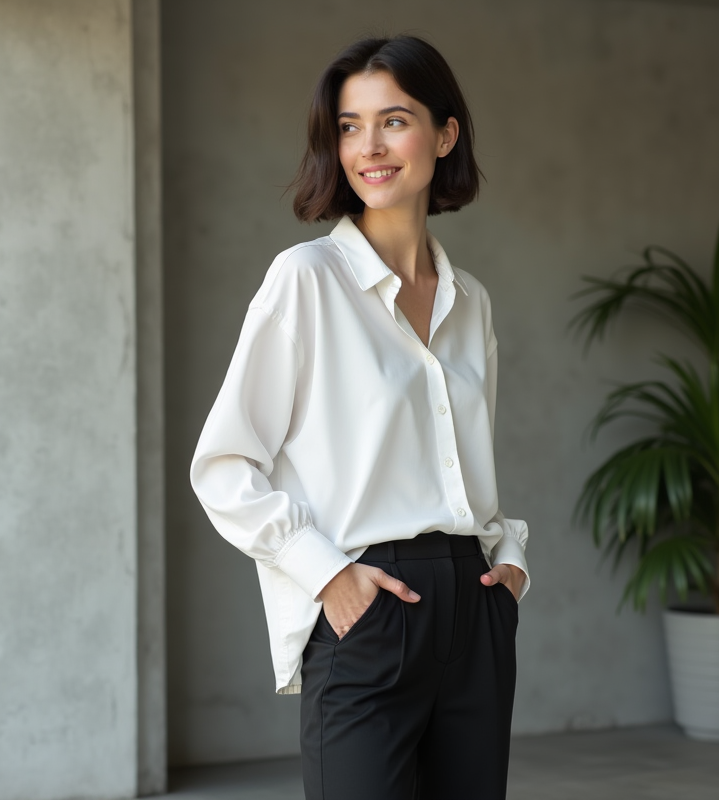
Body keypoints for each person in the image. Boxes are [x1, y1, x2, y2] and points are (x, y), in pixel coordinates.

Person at [190, 34, 530, 800]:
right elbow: (224, 465)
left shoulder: (470, 301)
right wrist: (328, 576)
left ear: (444, 135)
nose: (368, 147)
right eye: (349, 126)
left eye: (393, 121)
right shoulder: (306, 280)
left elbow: (467, 467)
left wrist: (507, 566)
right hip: (370, 605)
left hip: (474, 604)